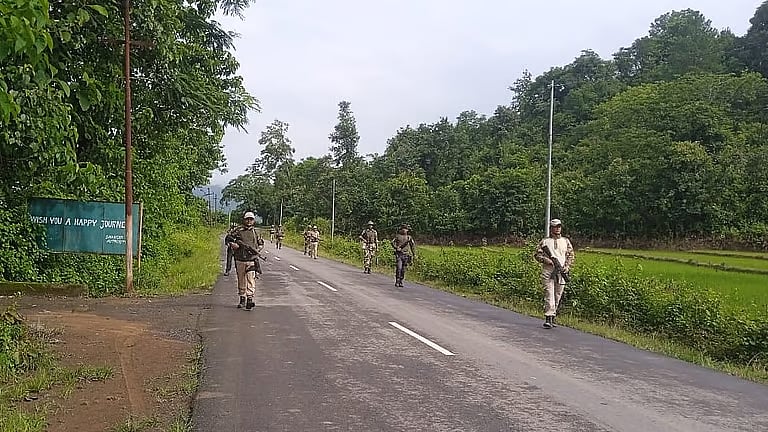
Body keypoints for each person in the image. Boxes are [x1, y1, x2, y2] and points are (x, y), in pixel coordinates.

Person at [534, 218, 574, 329]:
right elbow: (537, 255)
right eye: (555, 227)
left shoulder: (566, 241)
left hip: (561, 272)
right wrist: (547, 260)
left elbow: (570, 255)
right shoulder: (545, 241)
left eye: (559, 226)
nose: (557, 229)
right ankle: (548, 317)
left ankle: (553, 316)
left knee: (557, 295)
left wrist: (567, 267)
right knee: (549, 294)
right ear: (551, 228)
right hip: (548, 271)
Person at [224, 211, 265, 310]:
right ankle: (242, 298)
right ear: (244, 220)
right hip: (240, 259)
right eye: (247, 219)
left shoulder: (256, 232)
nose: (249, 221)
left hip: (251, 259)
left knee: (251, 279)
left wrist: (257, 250)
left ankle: (250, 299)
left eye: (251, 219)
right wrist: (233, 244)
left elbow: (261, 243)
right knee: (241, 279)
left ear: (253, 221)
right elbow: (228, 239)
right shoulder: (238, 230)